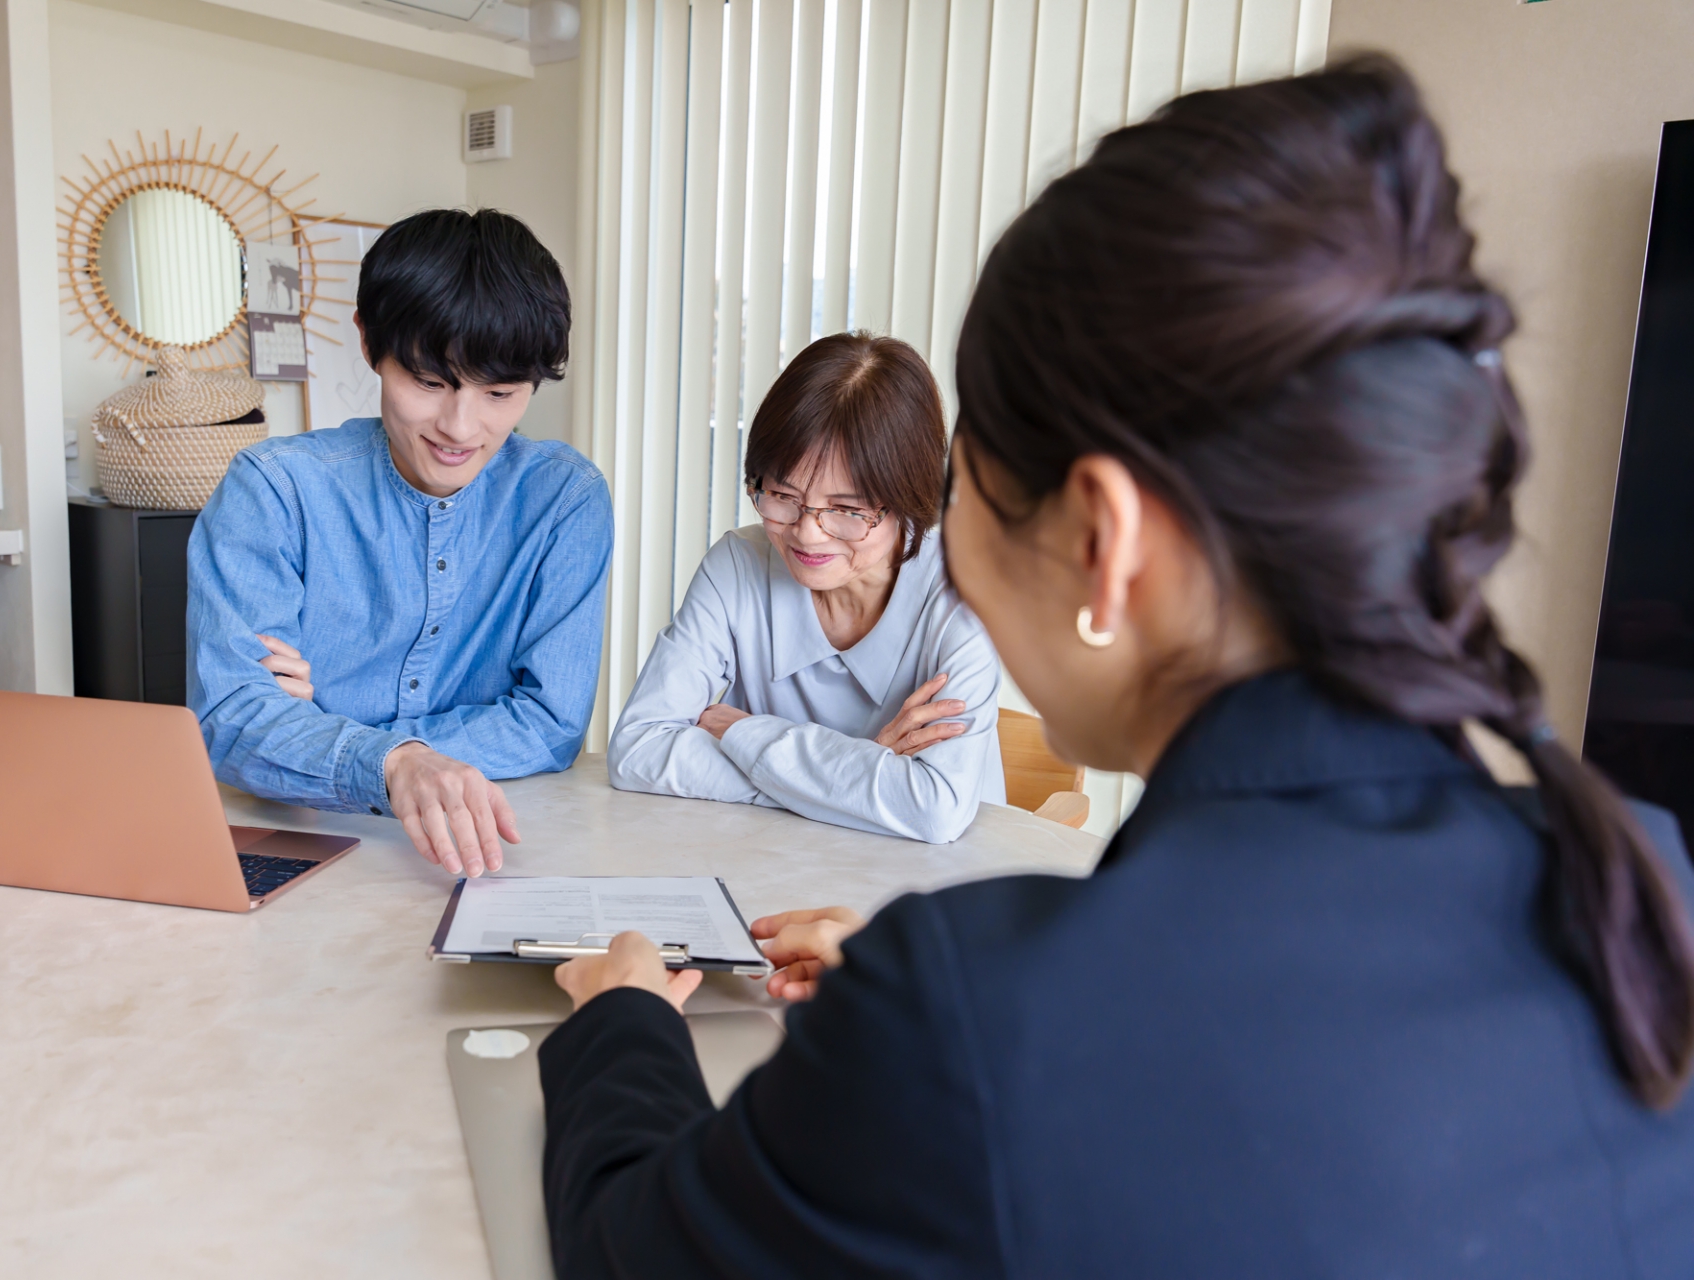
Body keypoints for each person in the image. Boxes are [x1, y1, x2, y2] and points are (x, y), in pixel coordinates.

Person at [536, 57, 1694, 1277]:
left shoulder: (972, 1009)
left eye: (969, 490)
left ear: (1102, 536)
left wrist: (625, 1016)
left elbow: (631, 1248)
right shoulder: (1650, 892)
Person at [186, 209, 611, 880]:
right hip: (299, 842)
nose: (460, 427)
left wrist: (340, 738)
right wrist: (393, 764)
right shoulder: (274, 490)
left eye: (499, 393)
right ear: (369, 343)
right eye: (430, 383)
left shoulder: (565, 500)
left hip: (499, 847)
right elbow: (233, 720)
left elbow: (550, 724)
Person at [606, 333, 1004, 844]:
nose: (807, 533)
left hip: (943, 880)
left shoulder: (966, 597)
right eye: (783, 494)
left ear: (912, 496)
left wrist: (746, 735)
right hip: (775, 867)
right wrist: (858, 772)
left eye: (846, 508)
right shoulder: (737, 567)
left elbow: (933, 811)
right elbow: (637, 750)